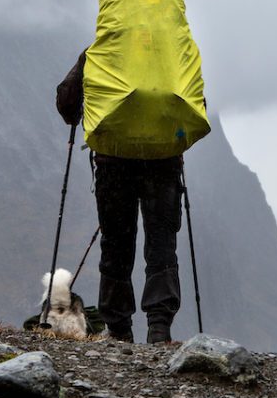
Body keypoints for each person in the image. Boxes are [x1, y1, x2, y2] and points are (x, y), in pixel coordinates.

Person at [56, 50, 183, 344]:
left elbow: (67, 103)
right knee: (162, 244)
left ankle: (118, 331)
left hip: (113, 163)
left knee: (115, 244)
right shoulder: (172, 48)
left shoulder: (100, 50)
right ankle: (159, 329)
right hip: (162, 162)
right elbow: (195, 101)